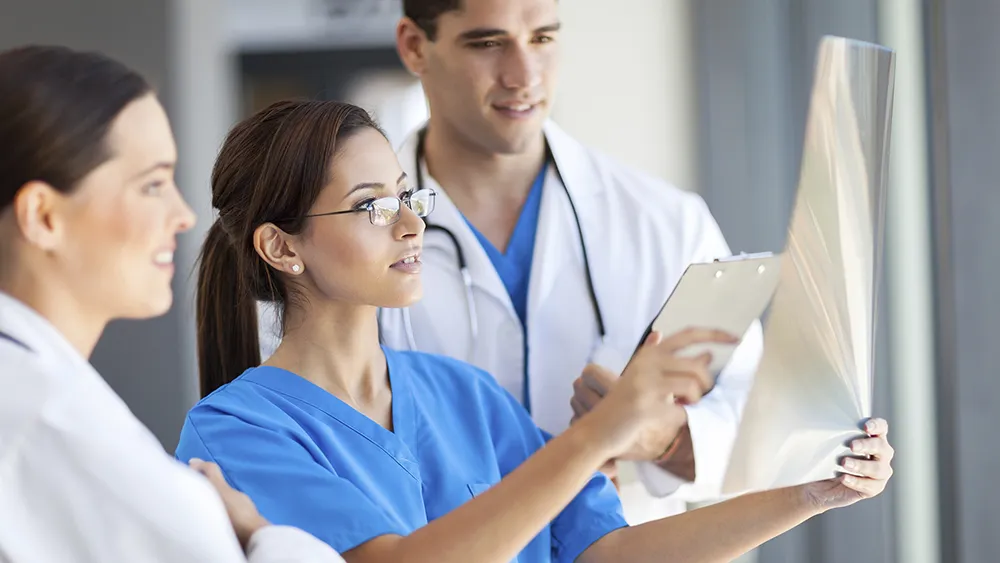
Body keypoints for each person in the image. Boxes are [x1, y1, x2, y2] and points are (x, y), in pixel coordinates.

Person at [178, 98, 895, 563]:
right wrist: (600, 433)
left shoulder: (466, 396)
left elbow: (607, 553)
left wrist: (813, 492)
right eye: (371, 206)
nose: (409, 223)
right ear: (281, 246)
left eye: (407, 195)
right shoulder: (236, 432)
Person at [323, 0, 759, 520]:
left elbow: (762, 421)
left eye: (543, 39)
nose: (524, 76)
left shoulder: (665, 223)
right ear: (415, 46)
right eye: (488, 43)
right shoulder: (340, 236)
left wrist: (663, 438)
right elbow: (307, 430)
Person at [0, 45, 343, 562]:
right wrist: (254, 532)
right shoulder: (49, 419)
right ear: (44, 217)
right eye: (153, 184)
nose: (184, 215)